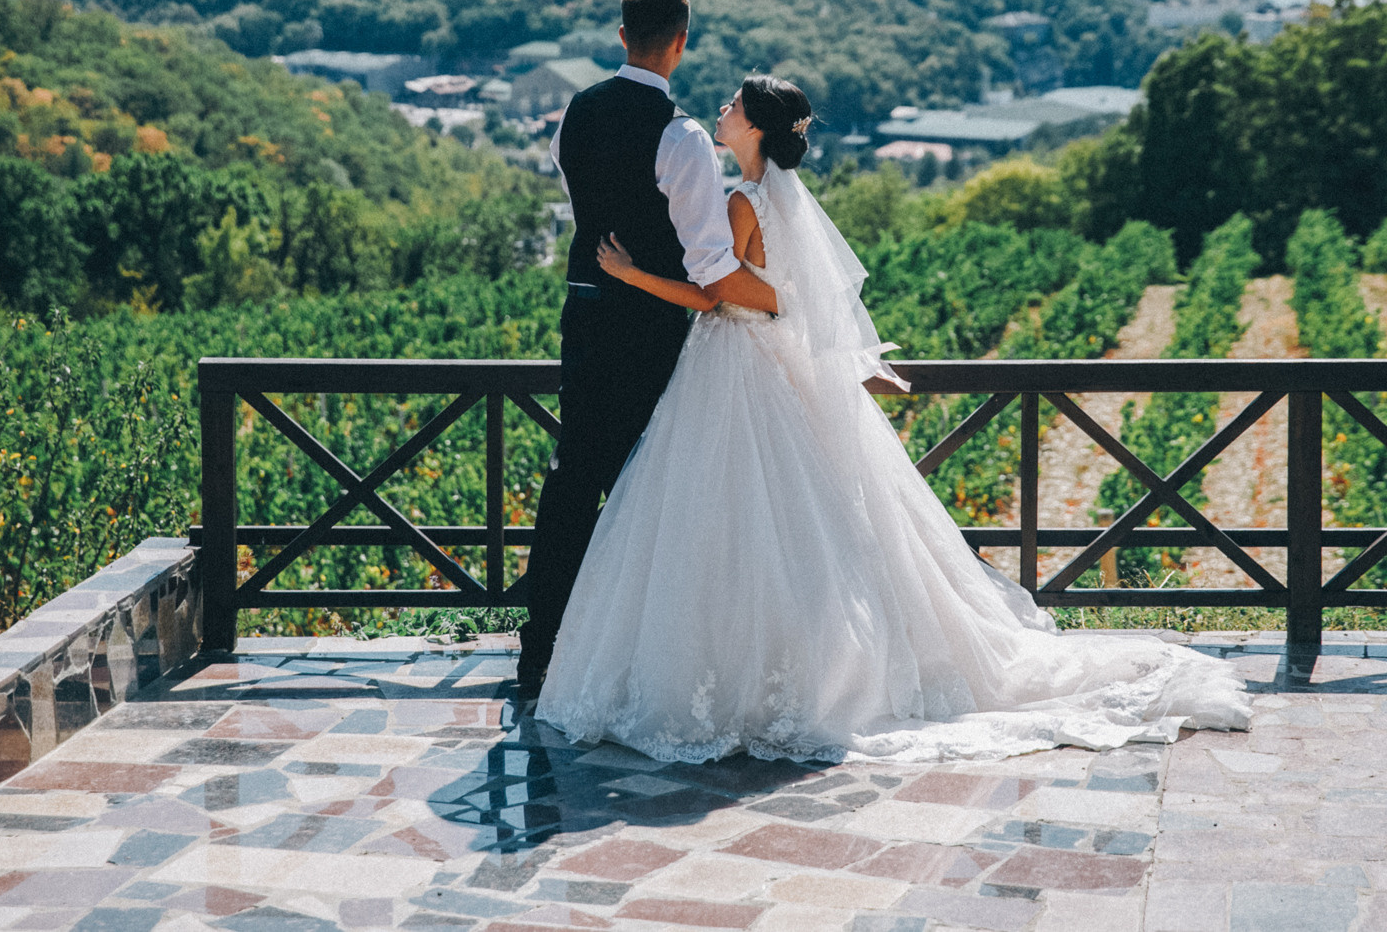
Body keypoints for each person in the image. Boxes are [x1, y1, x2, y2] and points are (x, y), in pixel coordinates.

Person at [533, 74, 1253, 763]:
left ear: (753, 126)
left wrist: (630, 276)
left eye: (731, 105)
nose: (719, 110)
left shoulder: (743, 203)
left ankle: (740, 674)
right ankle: (803, 670)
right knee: (802, 530)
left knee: (730, 526)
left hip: (737, 370)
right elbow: (788, 296)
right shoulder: (781, 199)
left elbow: (722, 295)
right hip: (770, 372)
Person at [518, 0, 777, 699]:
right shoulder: (682, 135)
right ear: (681, 42)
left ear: (622, 34)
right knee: (650, 483)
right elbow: (708, 263)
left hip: (582, 313)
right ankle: (635, 653)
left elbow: (581, 201)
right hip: (649, 325)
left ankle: (541, 647)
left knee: (574, 475)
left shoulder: (574, 112)